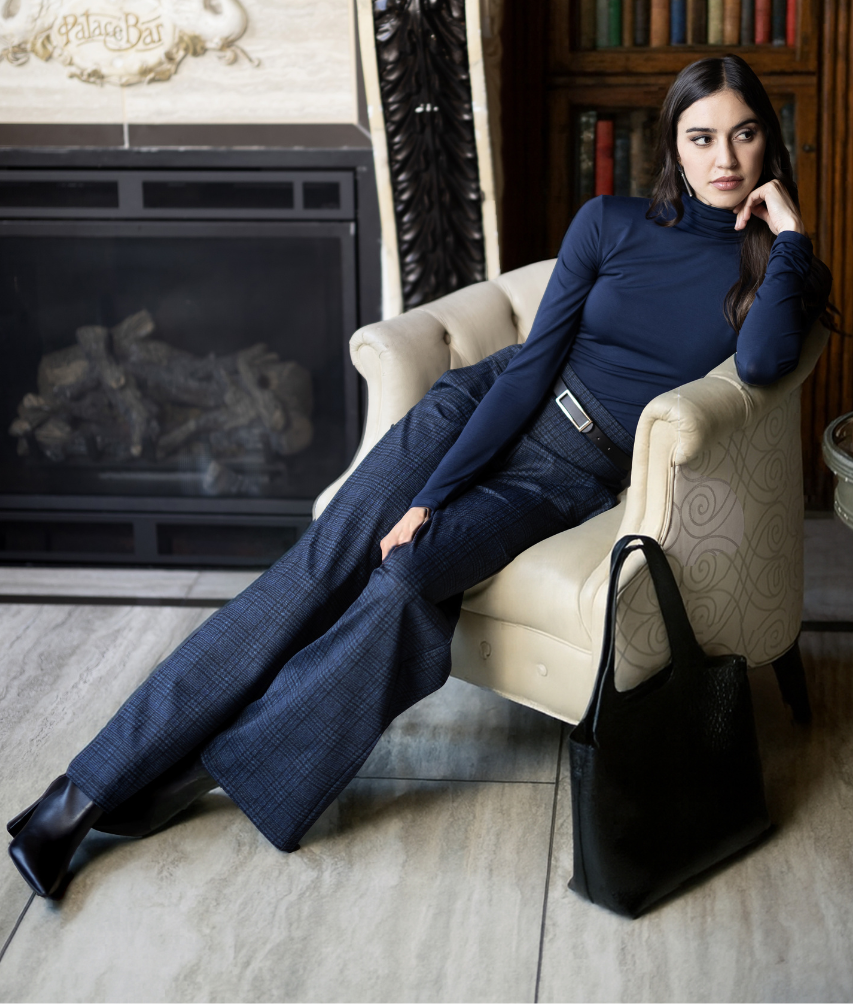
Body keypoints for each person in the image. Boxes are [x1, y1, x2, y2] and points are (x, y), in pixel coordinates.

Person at [7, 55, 833, 900]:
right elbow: (526, 369)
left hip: (564, 475)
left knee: (405, 583)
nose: (722, 159)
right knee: (319, 570)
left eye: (742, 133)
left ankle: (201, 769)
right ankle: (79, 796)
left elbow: (767, 362)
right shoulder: (610, 223)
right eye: (700, 138)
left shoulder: (778, 271)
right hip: (476, 411)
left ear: (767, 139)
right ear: (673, 145)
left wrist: (792, 237)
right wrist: (429, 493)